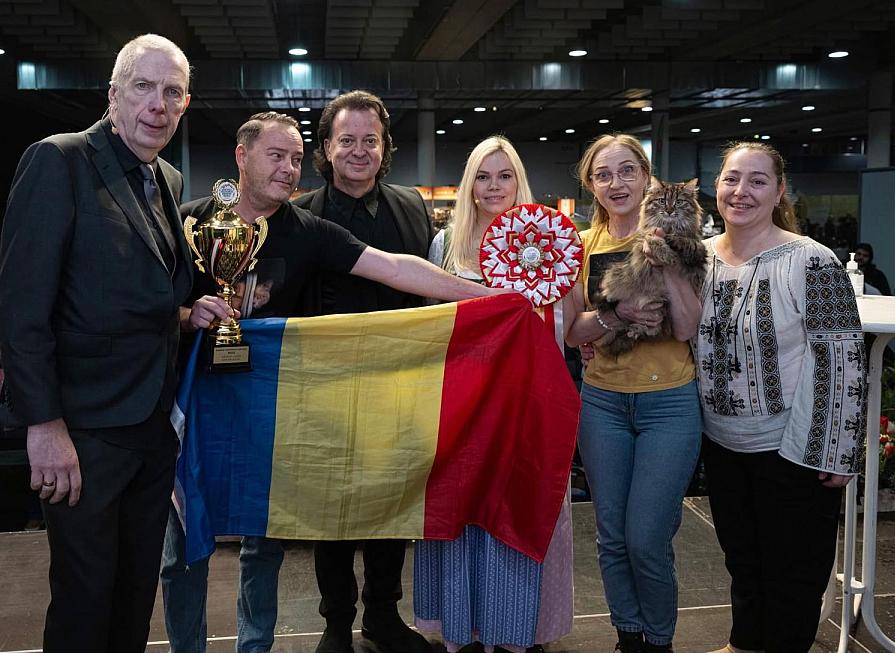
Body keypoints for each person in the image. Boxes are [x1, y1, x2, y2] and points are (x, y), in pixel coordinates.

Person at [161, 111, 501, 653]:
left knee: (262, 542)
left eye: (296, 159)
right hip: (191, 403)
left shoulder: (305, 229)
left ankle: (255, 648)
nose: (288, 168)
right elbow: (151, 302)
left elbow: (396, 267)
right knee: (182, 545)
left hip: (263, 411)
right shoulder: (189, 221)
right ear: (241, 157)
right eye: (277, 156)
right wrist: (187, 315)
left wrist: (493, 298)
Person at [0, 34, 193, 653]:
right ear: (114, 95)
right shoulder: (58, 161)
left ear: (185, 104)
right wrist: (43, 426)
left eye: (171, 92)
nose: (157, 105)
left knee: (133, 599)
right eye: (143, 87)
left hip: (150, 430)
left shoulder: (166, 177)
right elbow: (22, 310)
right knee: (84, 604)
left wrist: (192, 310)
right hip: (81, 433)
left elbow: (149, 293)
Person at [695, 142, 865, 653]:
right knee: (742, 558)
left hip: (792, 448)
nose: (741, 191)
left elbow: (842, 355)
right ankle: (744, 644)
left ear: (779, 191)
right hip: (721, 442)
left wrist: (837, 448)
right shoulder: (698, 258)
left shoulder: (812, 260)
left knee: (793, 571)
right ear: (717, 186)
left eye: (757, 181)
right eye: (731, 179)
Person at [413, 136, 573, 652]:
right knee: (463, 513)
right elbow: (433, 327)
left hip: (526, 405)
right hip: (462, 407)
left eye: (504, 175)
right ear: (469, 184)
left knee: (522, 506)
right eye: (483, 176)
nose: (493, 187)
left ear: (519, 180)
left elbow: (566, 324)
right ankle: (462, 627)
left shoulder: (548, 239)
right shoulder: (446, 245)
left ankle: (518, 629)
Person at [293, 90, 435, 653]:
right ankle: (336, 622)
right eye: (346, 140)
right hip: (326, 391)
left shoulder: (413, 206)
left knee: (393, 503)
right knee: (331, 509)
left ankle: (382, 614)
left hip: (401, 388)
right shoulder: (301, 214)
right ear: (326, 149)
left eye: (370, 140)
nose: (359, 150)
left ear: (385, 147)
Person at [563, 134, 703, 653]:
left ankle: (659, 640)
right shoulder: (579, 246)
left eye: (627, 171)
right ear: (591, 184)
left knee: (647, 538)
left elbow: (686, 327)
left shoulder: (682, 241)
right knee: (612, 536)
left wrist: (664, 263)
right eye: (603, 174)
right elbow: (572, 333)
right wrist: (616, 314)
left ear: (647, 178)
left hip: (669, 404)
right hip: (602, 403)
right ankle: (628, 636)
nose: (616, 183)